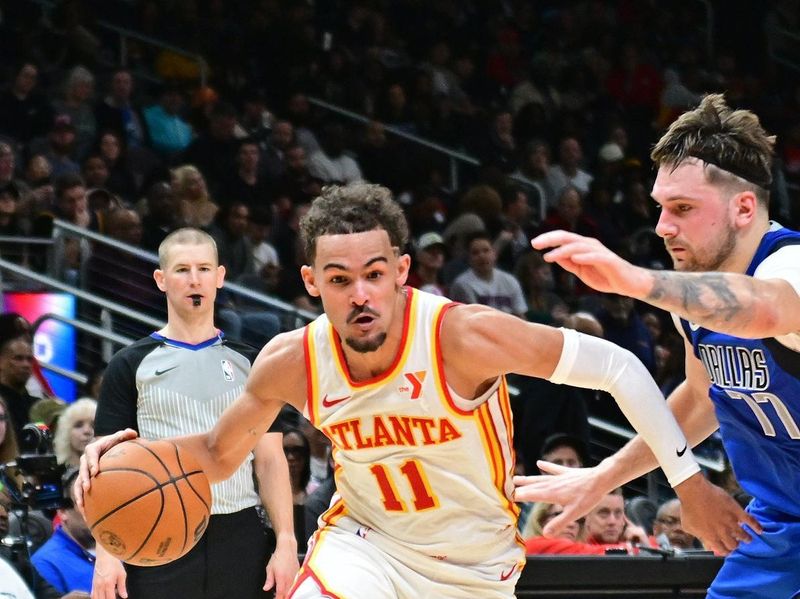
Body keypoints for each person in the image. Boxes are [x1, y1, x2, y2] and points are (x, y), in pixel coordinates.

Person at [79, 183, 726, 599]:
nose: (360, 294)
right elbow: (220, 454)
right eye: (339, 278)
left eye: (374, 274)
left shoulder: (462, 337)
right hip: (367, 545)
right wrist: (131, 456)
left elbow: (618, 367)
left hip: (472, 567)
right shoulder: (292, 359)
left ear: (401, 272)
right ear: (311, 281)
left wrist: (688, 481)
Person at [526, 94, 789, 597]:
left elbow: (768, 308)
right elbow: (698, 398)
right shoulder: (691, 293)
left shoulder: (788, 265)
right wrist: (606, 475)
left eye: (683, 208)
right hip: (779, 522)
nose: (664, 226)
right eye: (661, 208)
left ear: (744, 207)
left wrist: (636, 281)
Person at [88, 228, 298, 599]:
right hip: (154, 528)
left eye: (204, 268)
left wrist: (285, 541)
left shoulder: (254, 361)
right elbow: (105, 470)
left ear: (220, 278)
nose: (194, 279)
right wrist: (108, 555)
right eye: (182, 269)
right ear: (161, 279)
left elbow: (269, 460)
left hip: (239, 531)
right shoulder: (128, 364)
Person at [31, 469, 94, 595]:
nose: (97, 509)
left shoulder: (122, 548)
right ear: (63, 511)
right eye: (85, 502)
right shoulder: (44, 562)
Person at [53, 398, 95, 467]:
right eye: (78, 425)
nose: (87, 431)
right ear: (66, 432)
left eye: (93, 425)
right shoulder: (55, 471)